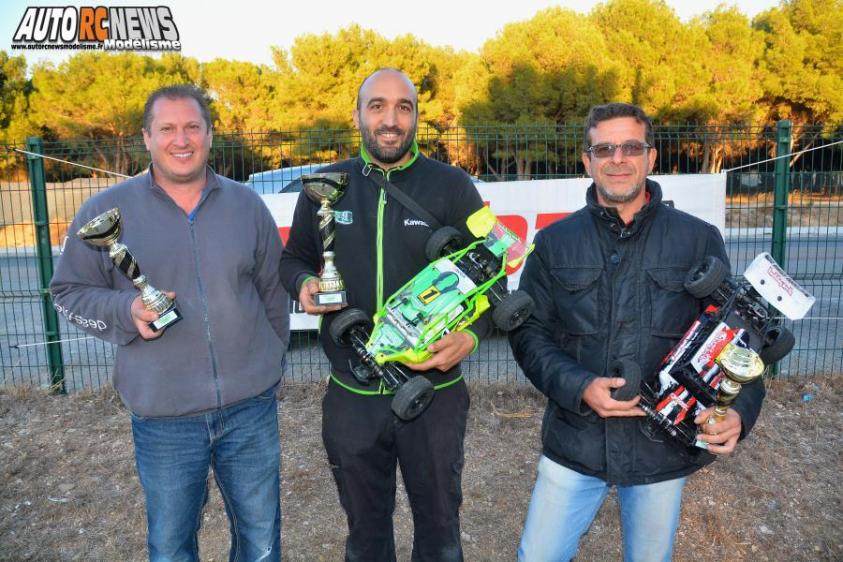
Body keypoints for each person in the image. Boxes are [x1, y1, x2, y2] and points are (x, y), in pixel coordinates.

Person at [508, 102, 765, 562]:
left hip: (660, 449)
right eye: (604, 149)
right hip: (575, 440)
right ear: (586, 161)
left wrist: (738, 412)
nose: (618, 158)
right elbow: (529, 335)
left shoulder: (697, 239)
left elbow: (736, 338)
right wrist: (580, 386)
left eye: (631, 147)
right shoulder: (553, 243)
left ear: (651, 157)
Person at [50, 85, 289, 562]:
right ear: (146, 137)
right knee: (171, 546)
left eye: (192, 127)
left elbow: (273, 291)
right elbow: (67, 292)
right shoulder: (105, 213)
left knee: (261, 540)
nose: (181, 140)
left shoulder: (247, 205)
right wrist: (127, 312)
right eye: (167, 129)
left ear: (209, 134)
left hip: (250, 409)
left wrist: (269, 361)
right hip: (164, 419)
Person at [279, 68, 486, 561]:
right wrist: (304, 283)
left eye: (403, 107)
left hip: (434, 391)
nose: (390, 120)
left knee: (440, 531)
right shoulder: (325, 186)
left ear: (416, 117)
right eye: (377, 106)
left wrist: (472, 335)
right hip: (352, 393)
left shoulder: (454, 186)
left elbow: (490, 273)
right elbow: (293, 260)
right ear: (357, 115)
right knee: (366, 532)